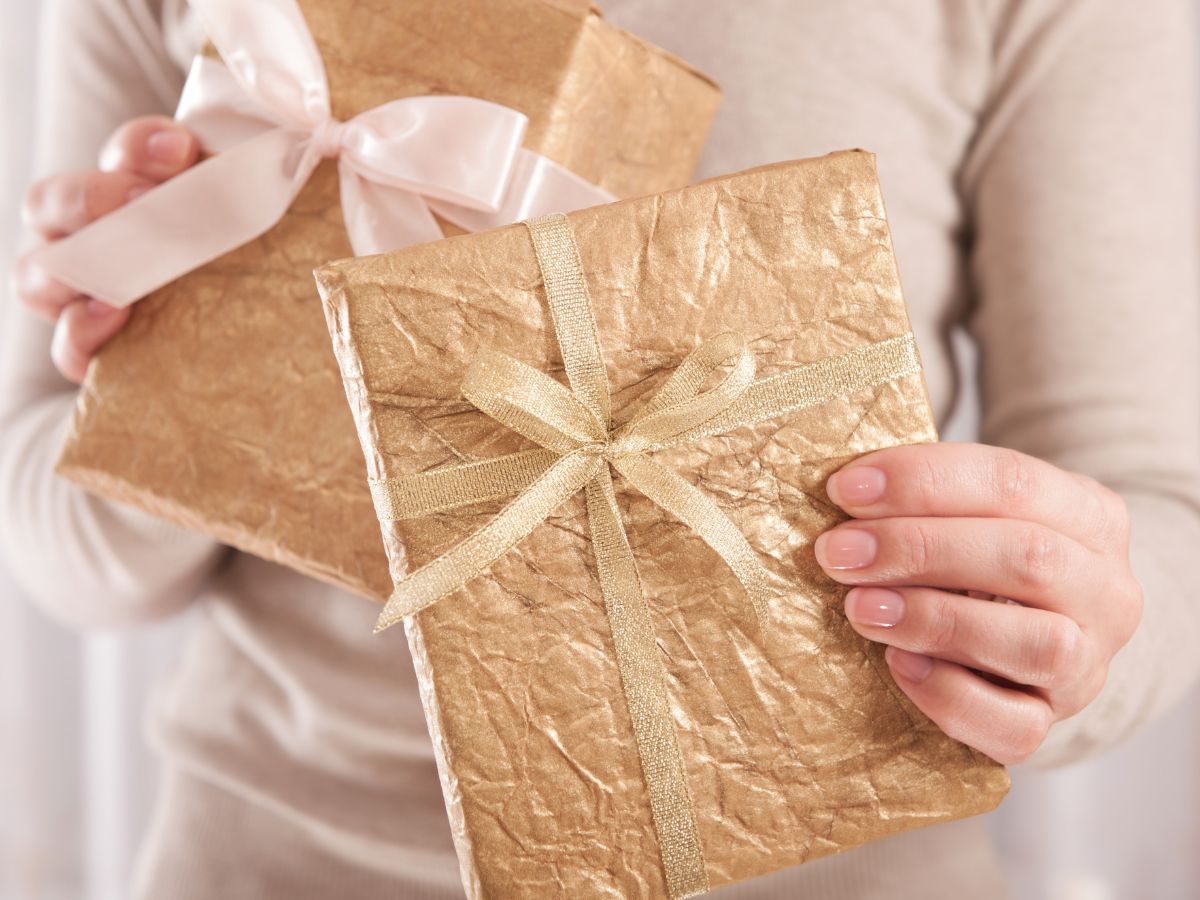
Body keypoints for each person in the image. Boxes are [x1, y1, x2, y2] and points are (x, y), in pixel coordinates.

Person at [3, 0, 1198, 897]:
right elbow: (53, 543)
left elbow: (1155, 508)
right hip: (272, 864)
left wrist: (1060, 639)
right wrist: (190, 361)